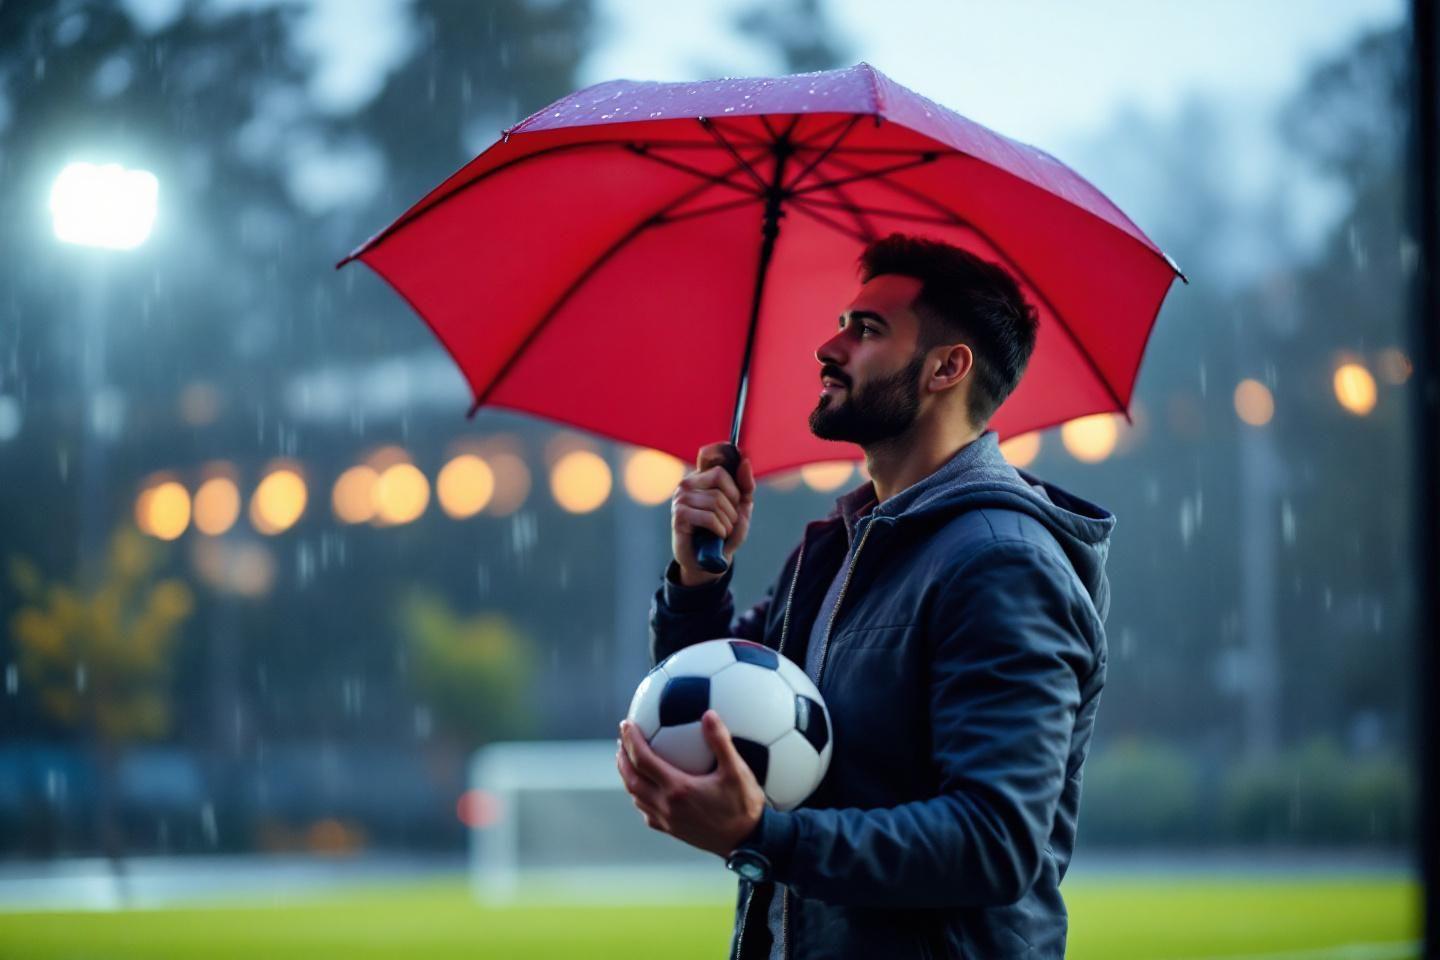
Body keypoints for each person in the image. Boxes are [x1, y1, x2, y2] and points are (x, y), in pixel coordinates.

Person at [616, 233, 1115, 959]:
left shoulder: (1002, 564)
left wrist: (764, 837)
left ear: (947, 367)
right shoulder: (835, 547)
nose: (829, 346)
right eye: (843, 323)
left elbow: (994, 841)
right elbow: (717, 704)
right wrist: (700, 574)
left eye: (866, 329)